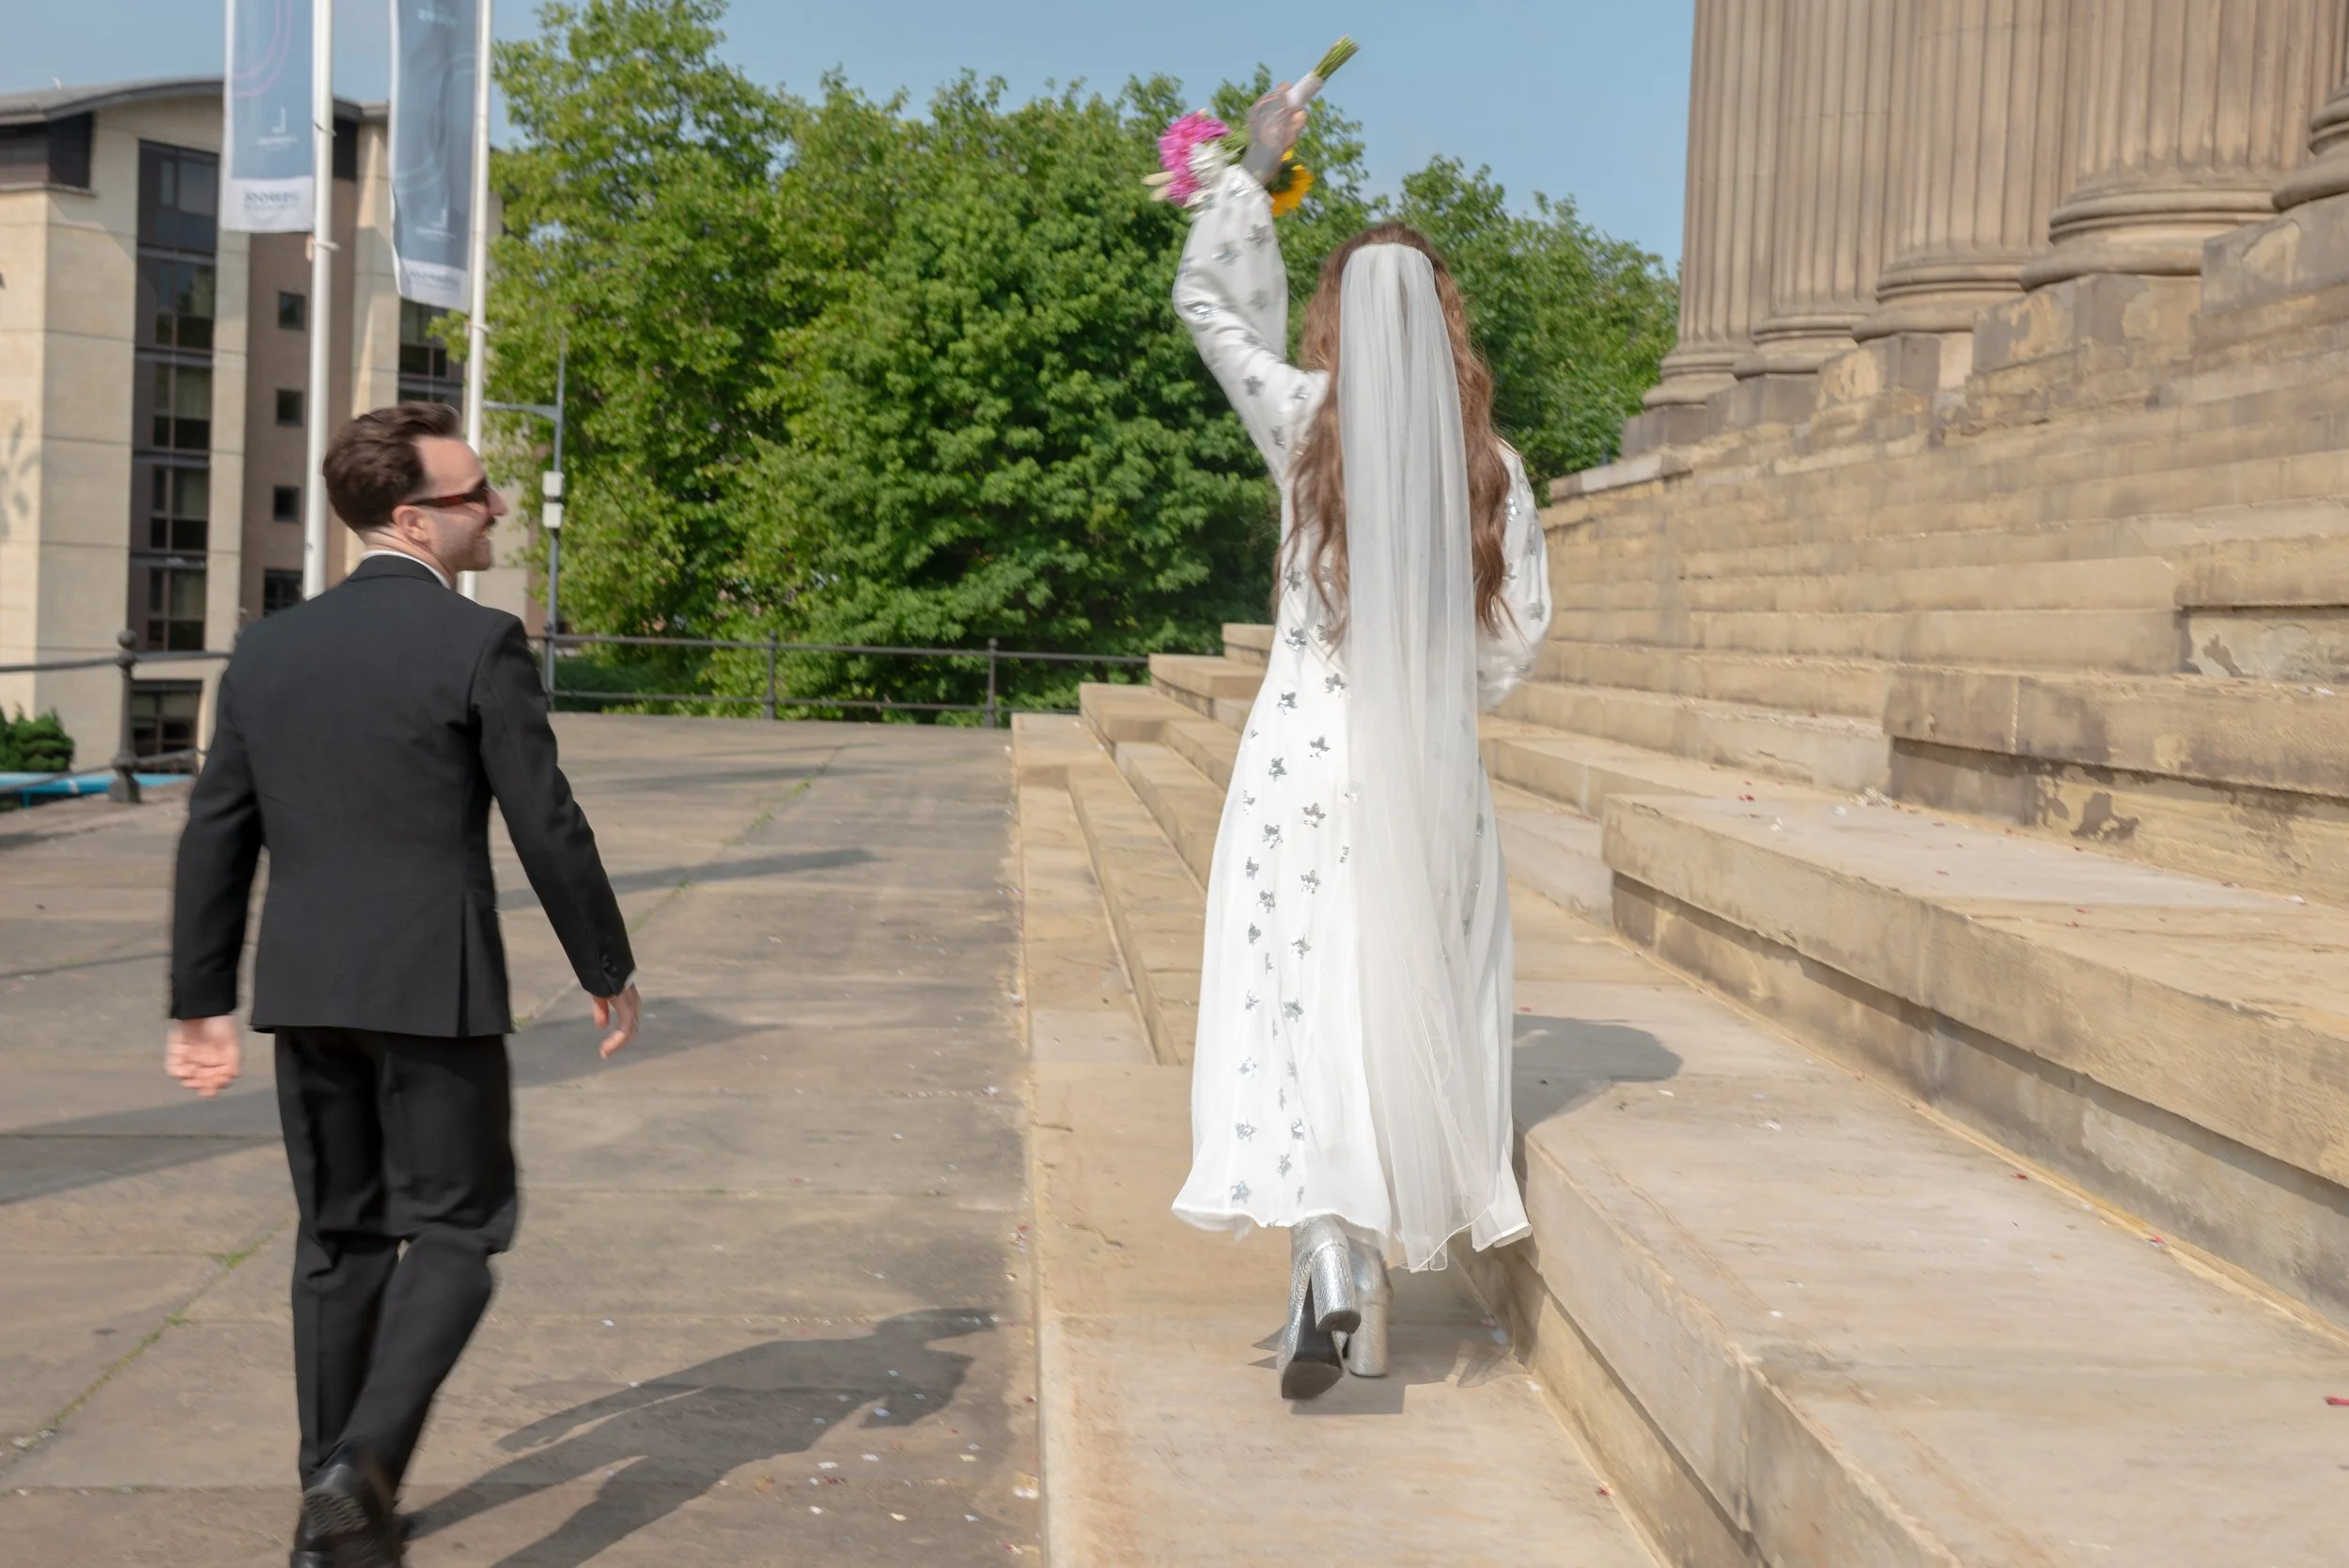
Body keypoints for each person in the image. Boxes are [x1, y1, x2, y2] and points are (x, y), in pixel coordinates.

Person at [165, 402, 642, 1566]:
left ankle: (331, 1531)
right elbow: (547, 819)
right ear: (412, 519)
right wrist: (608, 966)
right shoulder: (477, 643)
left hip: (306, 991)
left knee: (337, 1240)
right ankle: (359, 1462)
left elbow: (215, 834)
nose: (498, 508)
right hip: (434, 992)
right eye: (477, 492)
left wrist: (201, 999)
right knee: (460, 1234)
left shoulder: (268, 650)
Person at [1168, 93, 1552, 1399]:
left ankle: (1330, 1262)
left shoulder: (1305, 427)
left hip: (1298, 763)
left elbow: (1211, 311)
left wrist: (1250, 175)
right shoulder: (1491, 470)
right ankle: (1353, 1269)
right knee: (1389, 1011)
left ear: (1335, 318)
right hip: (1428, 773)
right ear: (1445, 321)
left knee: (1295, 1010)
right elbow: (1514, 648)